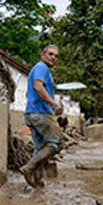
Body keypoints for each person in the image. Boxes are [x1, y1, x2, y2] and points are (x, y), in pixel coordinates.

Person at [20, 44, 63, 188]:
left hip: (31, 113)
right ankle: (28, 168)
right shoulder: (41, 68)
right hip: (41, 113)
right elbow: (38, 87)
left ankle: (38, 183)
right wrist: (53, 104)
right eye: (51, 54)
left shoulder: (37, 69)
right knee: (56, 144)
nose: (53, 58)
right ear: (43, 55)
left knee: (39, 149)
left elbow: (30, 92)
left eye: (56, 56)